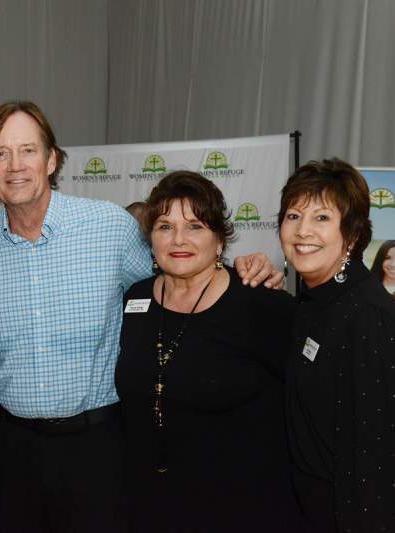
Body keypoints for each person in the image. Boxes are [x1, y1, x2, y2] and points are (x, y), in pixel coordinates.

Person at [0, 100, 283, 533]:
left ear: (52, 159)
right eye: (1, 153)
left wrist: (244, 268)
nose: (15, 165)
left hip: (96, 448)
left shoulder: (110, 228)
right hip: (12, 446)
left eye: (28, 150)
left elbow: (177, 271)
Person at [116, 171, 301, 532]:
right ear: (150, 239)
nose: (178, 239)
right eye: (165, 226)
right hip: (151, 506)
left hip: (242, 509)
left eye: (195, 226)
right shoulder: (134, 300)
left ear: (219, 241)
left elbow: (311, 404)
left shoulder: (261, 304)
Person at [278, 158, 395, 531]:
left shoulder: (370, 318)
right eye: (293, 216)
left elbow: (389, 466)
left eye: (321, 218)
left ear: (351, 234)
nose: (303, 231)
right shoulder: (312, 303)